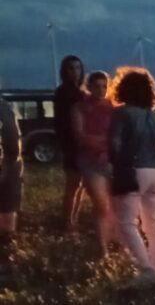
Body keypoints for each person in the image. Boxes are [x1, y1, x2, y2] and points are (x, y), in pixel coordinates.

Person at [108, 67, 155, 284]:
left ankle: (145, 269)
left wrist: (117, 163)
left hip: (132, 169)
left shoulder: (121, 113)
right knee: (152, 222)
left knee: (127, 223)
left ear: (123, 89)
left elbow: (114, 143)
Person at [72, 71, 115, 256]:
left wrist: (106, 148)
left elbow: (117, 134)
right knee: (101, 204)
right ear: (88, 87)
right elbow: (80, 136)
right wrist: (103, 142)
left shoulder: (112, 107)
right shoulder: (79, 108)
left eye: (104, 86)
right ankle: (102, 248)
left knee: (115, 204)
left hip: (110, 160)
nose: (101, 90)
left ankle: (115, 241)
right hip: (90, 161)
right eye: (97, 86)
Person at [54, 55, 86, 231]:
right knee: (73, 184)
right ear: (64, 71)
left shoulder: (81, 93)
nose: (75, 71)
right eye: (71, 68)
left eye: (77, 68)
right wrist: (66, 145)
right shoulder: (62, 93)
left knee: (79, 186)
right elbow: (60, 122)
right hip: (71, 144)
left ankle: (74, 219)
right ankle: (67, 221)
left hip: (83, 144)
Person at [0, 96, 22, 240]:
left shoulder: (3, 108)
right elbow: (13, 141)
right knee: (6, 205)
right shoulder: (4, 108)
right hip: (4, 165)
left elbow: (12, 142)